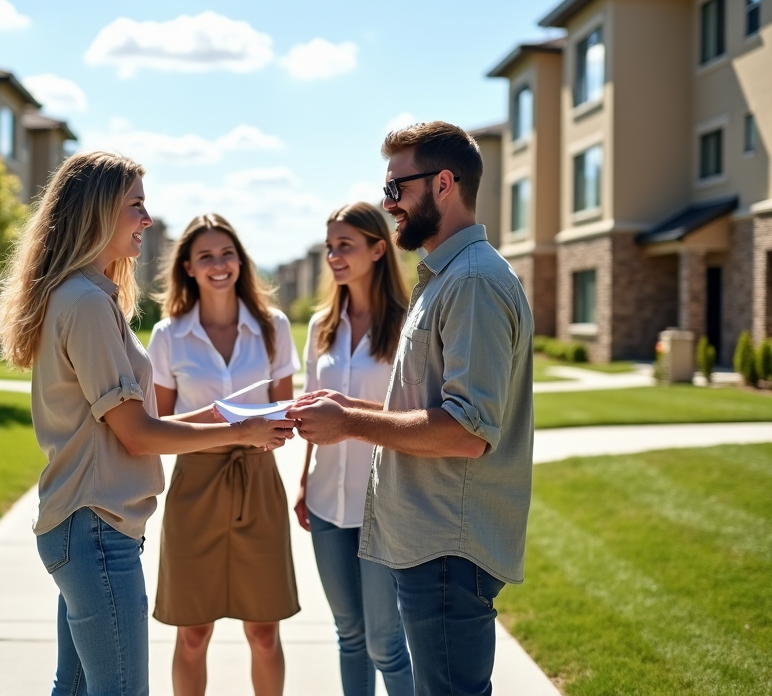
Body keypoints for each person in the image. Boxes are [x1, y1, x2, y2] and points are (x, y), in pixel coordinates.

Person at [0, 153, 295, 696]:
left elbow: (143, 420)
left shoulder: (83, 296)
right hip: (95, 528)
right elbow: (138, 434)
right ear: (100, 212)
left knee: (78, 688)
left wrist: (243, 416)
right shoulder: (85, 303)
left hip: (88, 524)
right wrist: (240, 433)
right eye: (136, 206)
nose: (147, 220)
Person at [287, 122, 535, 696]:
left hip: (448, 545)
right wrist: (348, 405)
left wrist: (350, 422)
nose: (388, 202)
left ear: (444, 183)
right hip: (432, 540)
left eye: (397, 187)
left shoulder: (472, 281)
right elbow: (427, 404)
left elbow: (469, 430)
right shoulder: (444, 276)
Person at [148, 213, 301, 696]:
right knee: (193, 633)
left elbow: (286, 411)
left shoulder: (273, 327)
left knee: (263, 630)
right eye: (206, 256)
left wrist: (269, 430)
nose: (219, 264)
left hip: (259, 483)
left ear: (241, 261)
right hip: (195, 488)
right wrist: (226, 428)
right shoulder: (168, 336)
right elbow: (157, 428)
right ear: (188, 267)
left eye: (227, 253)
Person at [294, 201, 414, 696]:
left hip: (385, 504)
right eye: (329, 247)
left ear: (378, 249)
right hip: (325, 504)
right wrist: (302, 481)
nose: (334, 256)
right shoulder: (321, 327)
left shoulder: (410, 325)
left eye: (345, 245)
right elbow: (310, 410)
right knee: (350, 636)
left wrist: (350, 415)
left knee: (387, 643)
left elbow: (415, 413)